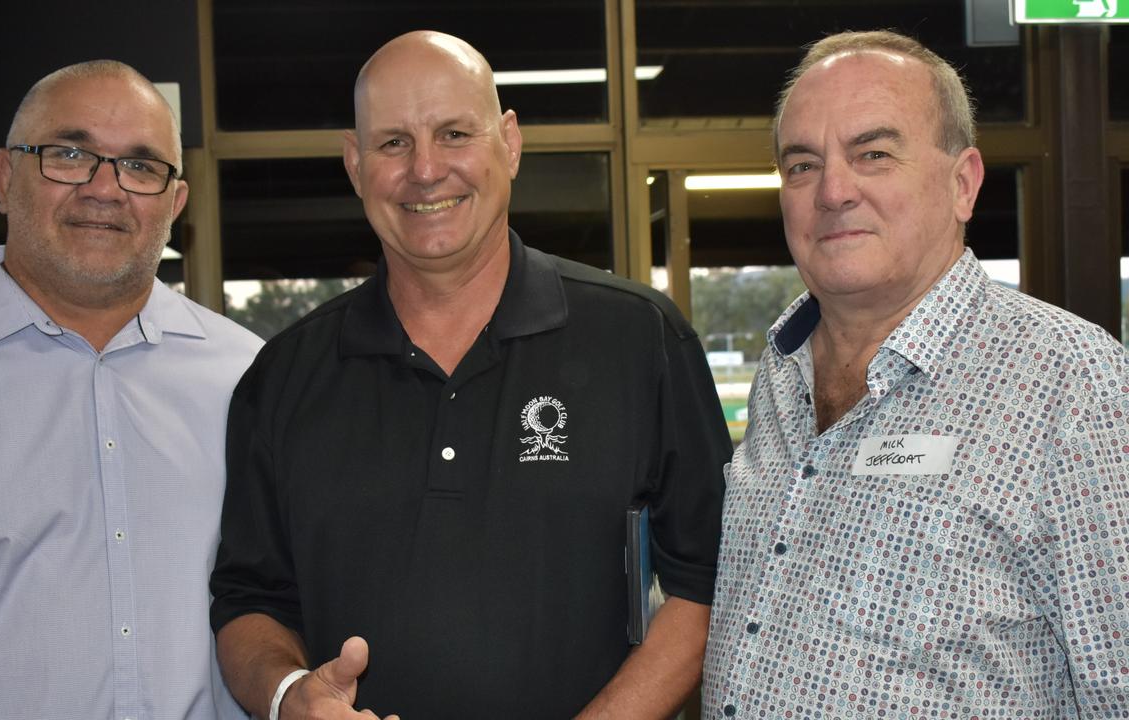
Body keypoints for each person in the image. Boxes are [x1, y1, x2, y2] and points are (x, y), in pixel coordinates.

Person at [210, 31, 730, 720]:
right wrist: (286, 696)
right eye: (393, 143)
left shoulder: (641, 339)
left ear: (509, 144)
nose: (426, 170)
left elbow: (714, 581)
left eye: (454, 133)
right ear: (354, 163)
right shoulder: (283, 375)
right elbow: (249, 601)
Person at [703, 30, 1129, 717]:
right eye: (802, 165)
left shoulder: (1077, 385)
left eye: (873, 154)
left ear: (963, 185)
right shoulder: (781, 372)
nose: (833, 191)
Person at [0, 60, 262, 718]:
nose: (106, 188)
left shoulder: (248, 378)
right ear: (5, 177)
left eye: (140, 165)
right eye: (69, 154)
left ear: (175, 201)